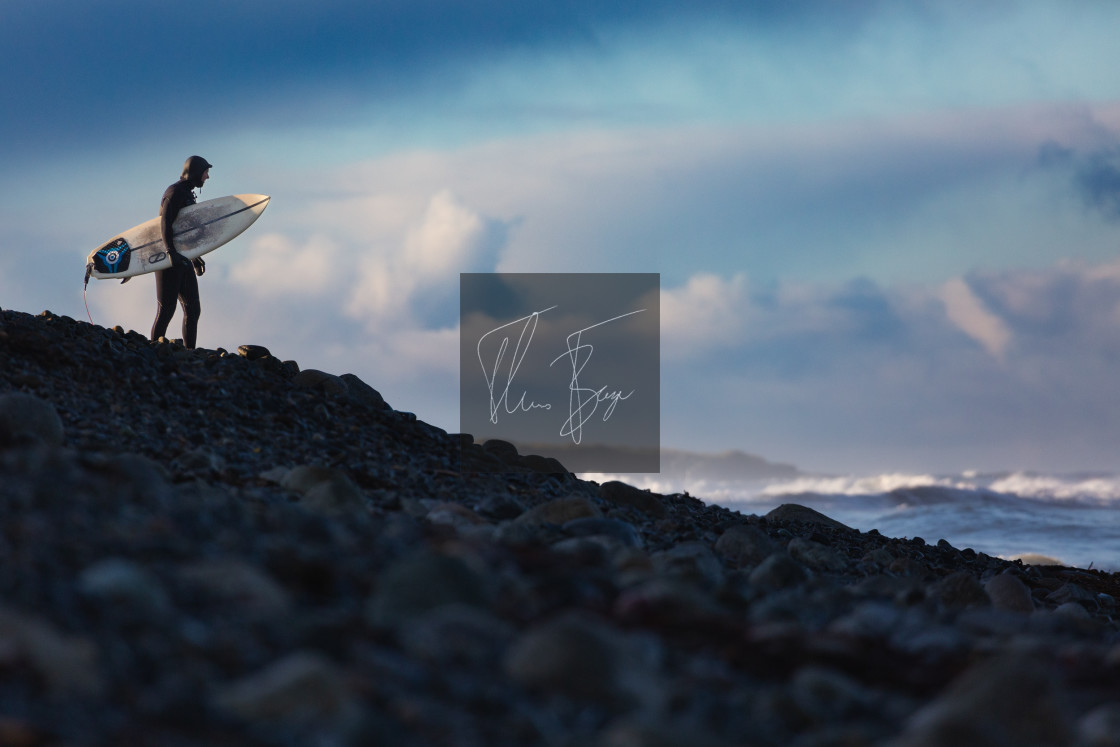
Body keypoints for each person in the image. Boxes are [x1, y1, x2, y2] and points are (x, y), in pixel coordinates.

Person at [151, 155, 212, 349]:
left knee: (193, 310)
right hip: (168, 259)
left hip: (183, 258)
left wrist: (195, 257)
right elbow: (165, 222)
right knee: (166, 310)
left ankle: (190, 352)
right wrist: (170, 252)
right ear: (195, 173)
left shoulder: (187, 193)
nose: (207, 177)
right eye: (205, 172)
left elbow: (184, 231)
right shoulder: (174, 192)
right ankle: (153, 349)